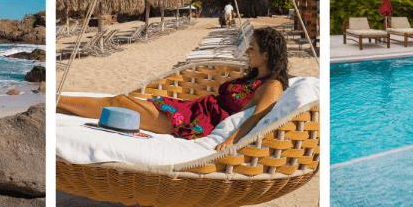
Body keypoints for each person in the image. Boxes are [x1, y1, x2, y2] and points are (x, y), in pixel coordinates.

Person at [56, 27, 288, 151]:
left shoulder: (272, 85)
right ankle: (57, 105)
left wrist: (232, 140)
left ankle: (56, 100)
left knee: (121, 104)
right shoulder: (254, 77)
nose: (246, 52)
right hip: (193, 109)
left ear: (266, 54)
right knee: (121, 101)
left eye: (252, 48)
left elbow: (257, 117)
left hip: (198, 122)